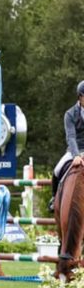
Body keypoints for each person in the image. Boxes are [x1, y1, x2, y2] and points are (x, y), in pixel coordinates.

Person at [50, 81, 84, 211]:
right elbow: (71, 137)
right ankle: (54, 198)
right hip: (74, 150)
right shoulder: (69, 114)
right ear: (80, 97)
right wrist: (76, 155)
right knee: (57, 170)